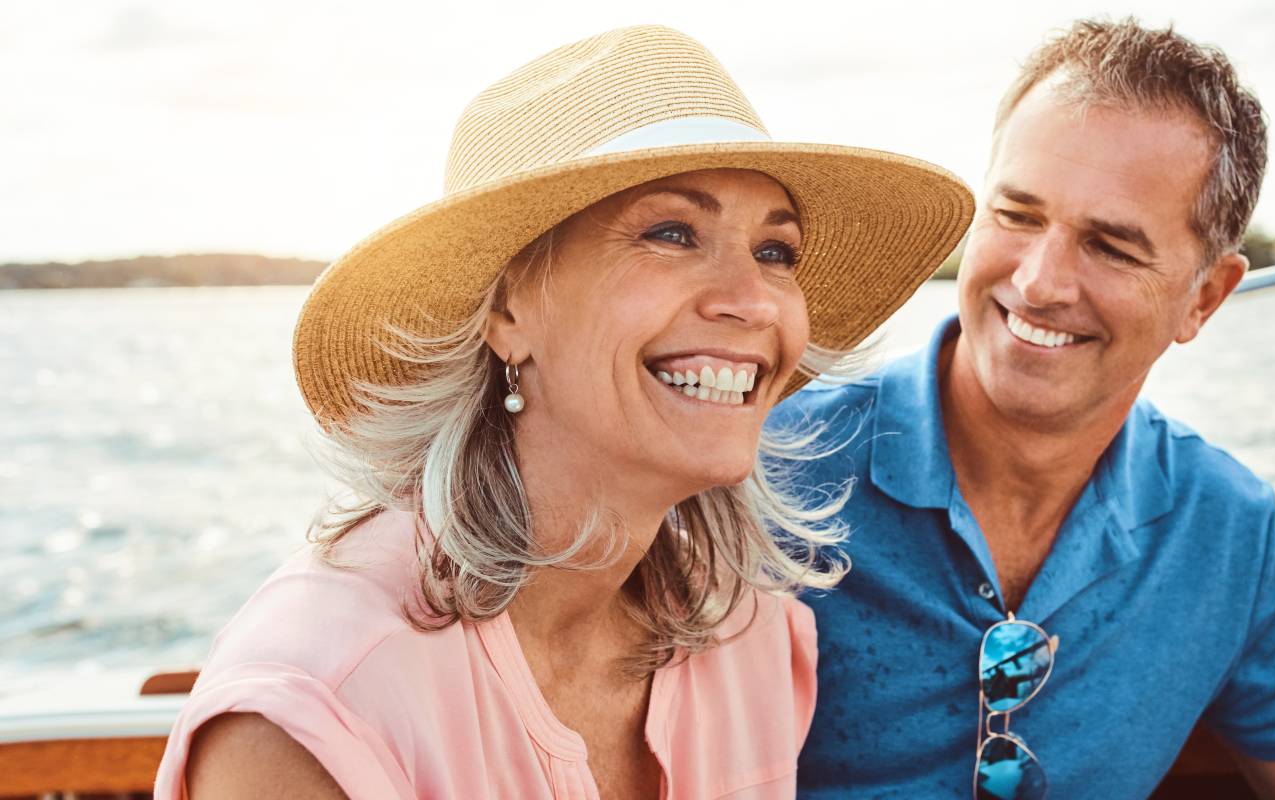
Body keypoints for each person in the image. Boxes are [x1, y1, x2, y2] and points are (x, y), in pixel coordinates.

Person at [153, 25, 972, 799]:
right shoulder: (319, 699)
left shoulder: (750, 638)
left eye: (775, 251)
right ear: (506, 310)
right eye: (671, 233)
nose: (752, 301)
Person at [774, 19, 1275, 799]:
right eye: (1017, 216)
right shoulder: (769, 468)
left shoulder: (1224, 528)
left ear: (1205, 298)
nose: (1041, 281)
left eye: (1112, 246)